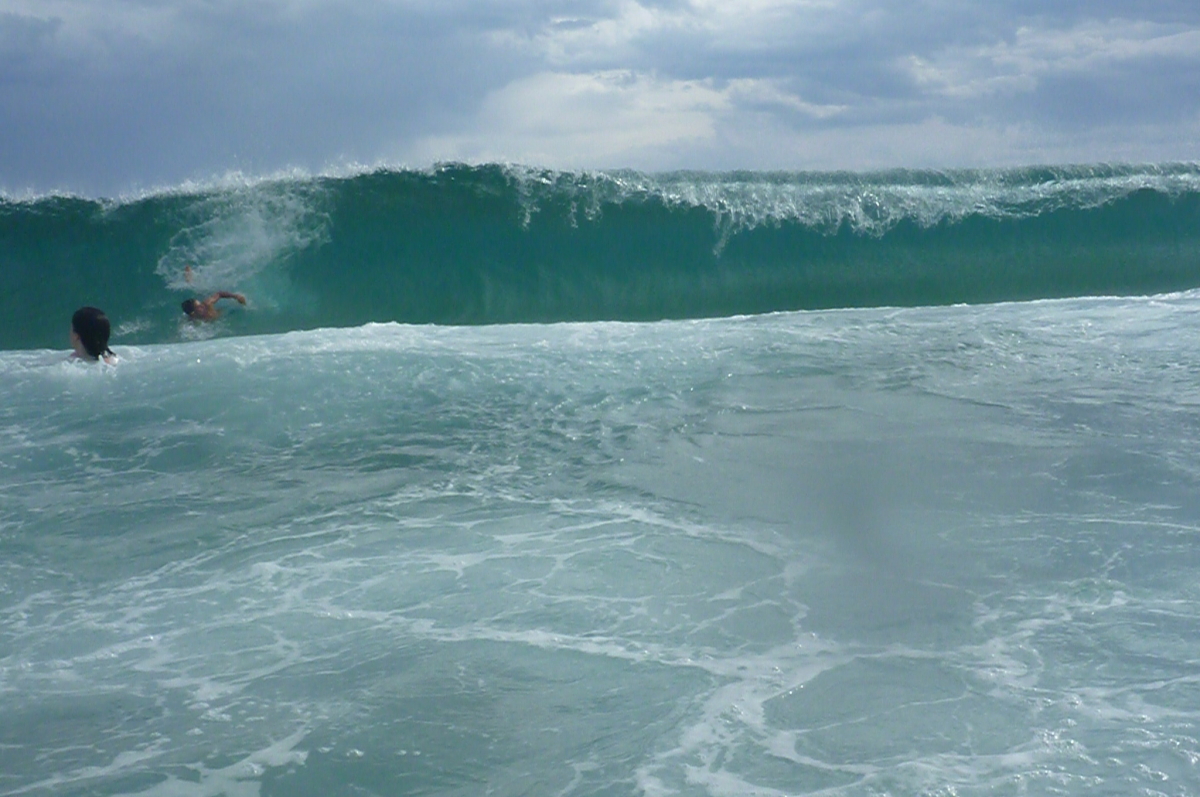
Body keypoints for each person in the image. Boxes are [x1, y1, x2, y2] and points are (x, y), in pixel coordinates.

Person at [182, 291, 247, 321]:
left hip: (222, 314)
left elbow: (219, 294)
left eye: (200, 304)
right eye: (199, 306)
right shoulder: (192, 318)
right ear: (193, 313)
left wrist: (235, 296)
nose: (202, 306)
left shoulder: (207, 304)